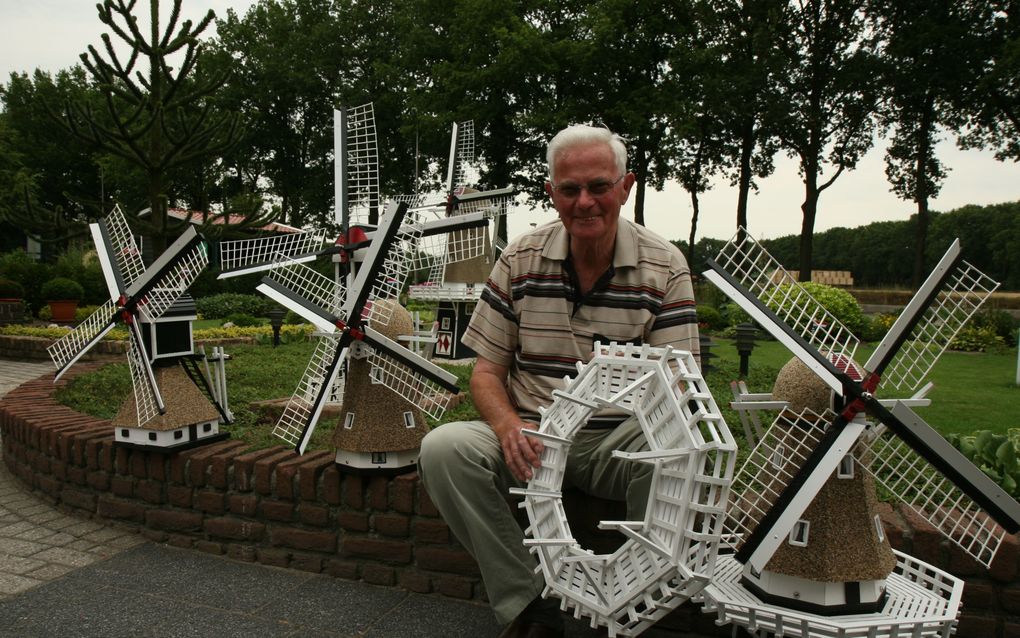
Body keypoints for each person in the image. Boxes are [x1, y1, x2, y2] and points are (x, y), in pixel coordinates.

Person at [417, 124, 699, 638]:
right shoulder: (520, 258)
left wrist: (653, 426)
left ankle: (640, 603)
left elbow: (679, 384)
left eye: (599, 186)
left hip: (615, 439)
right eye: (570, 189)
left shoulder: (665, 266)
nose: (585, 201)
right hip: (532, 436)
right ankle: (528, 604)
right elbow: (486, 371)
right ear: (552, 193)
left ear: (626, 187)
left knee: (673, 457)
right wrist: (506, 427)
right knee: (445, 448)